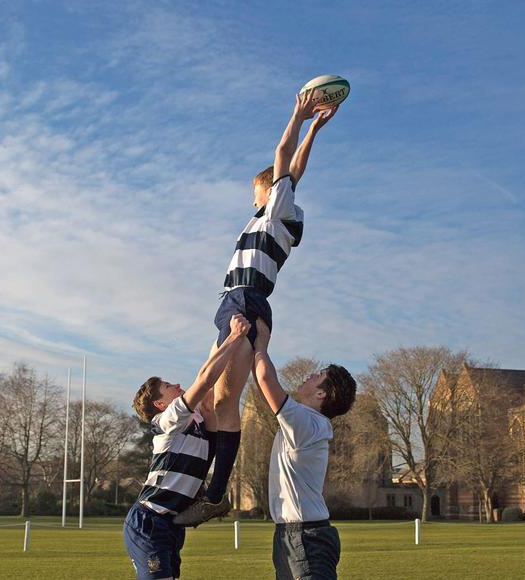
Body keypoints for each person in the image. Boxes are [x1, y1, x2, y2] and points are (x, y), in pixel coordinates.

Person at [174, 93, 339, 526]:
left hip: (245, 300)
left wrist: (298, 116)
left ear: (269, 190)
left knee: (224, 400)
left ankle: (213, 494)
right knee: (209, 397)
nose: (252, 199)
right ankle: (205, 486)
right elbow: (295, 167)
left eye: (255, 191)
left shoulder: (276, 211)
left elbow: (285, 159)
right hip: (236, 299)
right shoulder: (275, 213)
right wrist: (316, 129)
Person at [124, 314, 251, 580]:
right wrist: (234, 335)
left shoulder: (198, 420)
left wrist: (227, 333)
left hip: (170, 525)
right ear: (160, 404)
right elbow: (204, 379)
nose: (178, 386)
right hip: (149, 520)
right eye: (169, 387)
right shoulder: (167, 420)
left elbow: (211, 386)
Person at [251, 319, 356, 580]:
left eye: (318, 375)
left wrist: (260, 342)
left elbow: (265, 378)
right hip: (296, 534)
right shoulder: (306, 421)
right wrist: (252, 349)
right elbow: (263, 384)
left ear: (322, 394)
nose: (311, 374)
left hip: (304, 537)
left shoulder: (306, 422)